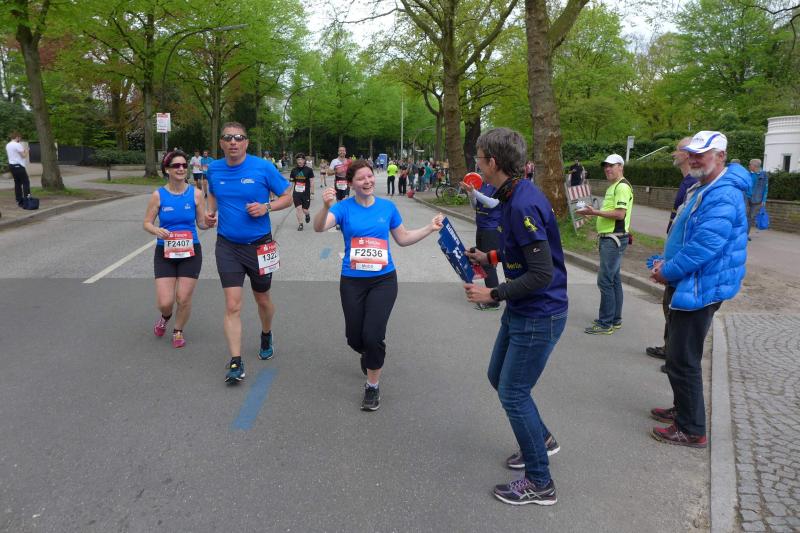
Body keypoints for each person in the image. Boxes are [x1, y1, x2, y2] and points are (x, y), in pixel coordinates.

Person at [463, 128, 568, 506]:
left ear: (493, 162)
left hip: (539, 314)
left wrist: (492, 293)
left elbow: (541, 274)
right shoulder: (510, 195)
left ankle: (540, 481)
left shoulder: (523, 203)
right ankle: (542, 439)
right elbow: (520, 251)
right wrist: (489, 257)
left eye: (479, 159)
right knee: (498, 377)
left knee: (513, 391)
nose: (477, 165)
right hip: (523, 310)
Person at [313, 159, 443, 411]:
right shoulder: (343, 208)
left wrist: (429, 227)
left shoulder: (387, 207)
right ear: (351, 183)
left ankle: (372, 386)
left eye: (370, 176)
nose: (367, 181)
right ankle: (369, 353)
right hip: (352, 281)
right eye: (361, 178)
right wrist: (325, 206)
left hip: (383, 280)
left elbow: (403, 238)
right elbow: (319, 227)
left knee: (373, 336)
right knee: (355, 338)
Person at [649, 131, 748, 448]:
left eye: (701, 154)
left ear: (720, 156)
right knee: (678, 354)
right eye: (691, 153)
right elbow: (687, 237)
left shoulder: (723, 194)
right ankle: (682, 411)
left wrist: (668, 271)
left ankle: (691, 429)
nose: (693, 159)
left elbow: (703, 247)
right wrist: (666, 261)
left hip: (701, 285)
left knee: (683, 358)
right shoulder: (705, 186)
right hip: (690, 281)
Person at [205, 122, 293, 384]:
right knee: (232, 305)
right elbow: (213, 195)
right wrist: (210, 213)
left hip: (260, 245)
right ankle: (236, 360)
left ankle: (266, 333)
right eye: (228, 137)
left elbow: (288, 197)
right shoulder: (214, 168)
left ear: (246, 142)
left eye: (239, 137)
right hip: (227, 246)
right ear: (221, 143)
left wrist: (267, 207)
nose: (233, 142)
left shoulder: (263, 167)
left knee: (262, 299)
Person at [143, 150, 212, 348]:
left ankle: (178, 330)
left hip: (190, 251)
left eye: (184, 165)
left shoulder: (196, 194)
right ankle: (165, 316)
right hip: (165, 252)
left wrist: (209, 223)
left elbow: (201, 223)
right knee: (165, 302)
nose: (181, 169)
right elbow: (146, 223)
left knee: (183, 298)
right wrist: (157, 230)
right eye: (176, 166)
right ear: (167, 170)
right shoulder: (158, 195)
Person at [646, 138, 697, 362]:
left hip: (680, 260)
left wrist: (672, 262)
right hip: (673, 256)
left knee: (674, 307)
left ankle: (675, 357)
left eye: (677, 150)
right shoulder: (687, 182)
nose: (673, 154)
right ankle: (670, 349)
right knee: (670, 305)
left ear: (687, 154)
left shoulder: (693, 185)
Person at [577, 154, 633, 334]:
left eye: (611, 166)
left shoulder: (622, 187)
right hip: (612, 238)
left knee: (605, 280)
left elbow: (620, 214)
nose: (607, 169)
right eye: (605, 166)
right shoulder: (615, 186)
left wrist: (595, 212)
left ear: (620, 167)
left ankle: (605, 323)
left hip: (613, 239)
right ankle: (614, 319)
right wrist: (594, 213)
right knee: (614, 280)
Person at [463, 178, 501, 311]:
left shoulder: (498, 185)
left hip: (492, 229)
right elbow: (476, 206)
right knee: (480, 260)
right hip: (481, 228)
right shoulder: (484, 185)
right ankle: (488, 294)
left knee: (488, 264)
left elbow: (492, 203)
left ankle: (493, 301)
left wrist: (474, 192)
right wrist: (471, 194)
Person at [290, 153, 314, 231]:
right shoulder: (293, 170)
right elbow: (291, 182)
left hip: (306, 193)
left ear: (304, 161)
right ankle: (300, 224)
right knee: (298, 209)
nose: (300, 161)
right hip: (296, 193)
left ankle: (307, 214)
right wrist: (289, 193)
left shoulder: (309, 170)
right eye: (298, 159)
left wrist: (312, 193)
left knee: (304, 210)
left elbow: (312, 181)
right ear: (296, 161)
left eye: (301, 159)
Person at [6, 131, 31, 207]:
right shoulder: (17, 145)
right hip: (19, 166)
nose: (20, 139)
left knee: (17, 183)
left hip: (11, 166)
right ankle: (27, 199)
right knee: (26, 182)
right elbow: (23, 156)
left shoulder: (8, 145)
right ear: (17, 137)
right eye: (19, 138)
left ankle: (18, 200)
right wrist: (27, 151)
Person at [746, 158, 769, 238]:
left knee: (750, 217)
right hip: (746, 197)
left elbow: (766, 188)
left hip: (757, 199)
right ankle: (741, 233)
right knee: (744, 215)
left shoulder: (764, 175)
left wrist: (764, 200)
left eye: (750, 165)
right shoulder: (747, 173)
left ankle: (746, 234)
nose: (749, 166)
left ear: (755, 166)